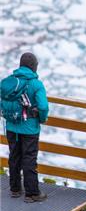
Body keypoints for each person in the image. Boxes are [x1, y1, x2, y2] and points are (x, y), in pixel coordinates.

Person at [1, 52, 49, 202]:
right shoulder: (36, 84)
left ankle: (15, 189)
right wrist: (41, 119)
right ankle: (32, 193)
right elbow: (43, 106)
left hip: (11, 126)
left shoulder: (10, 81)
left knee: (14, 156)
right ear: (34, 67)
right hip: (29, 129)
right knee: (29, 159)